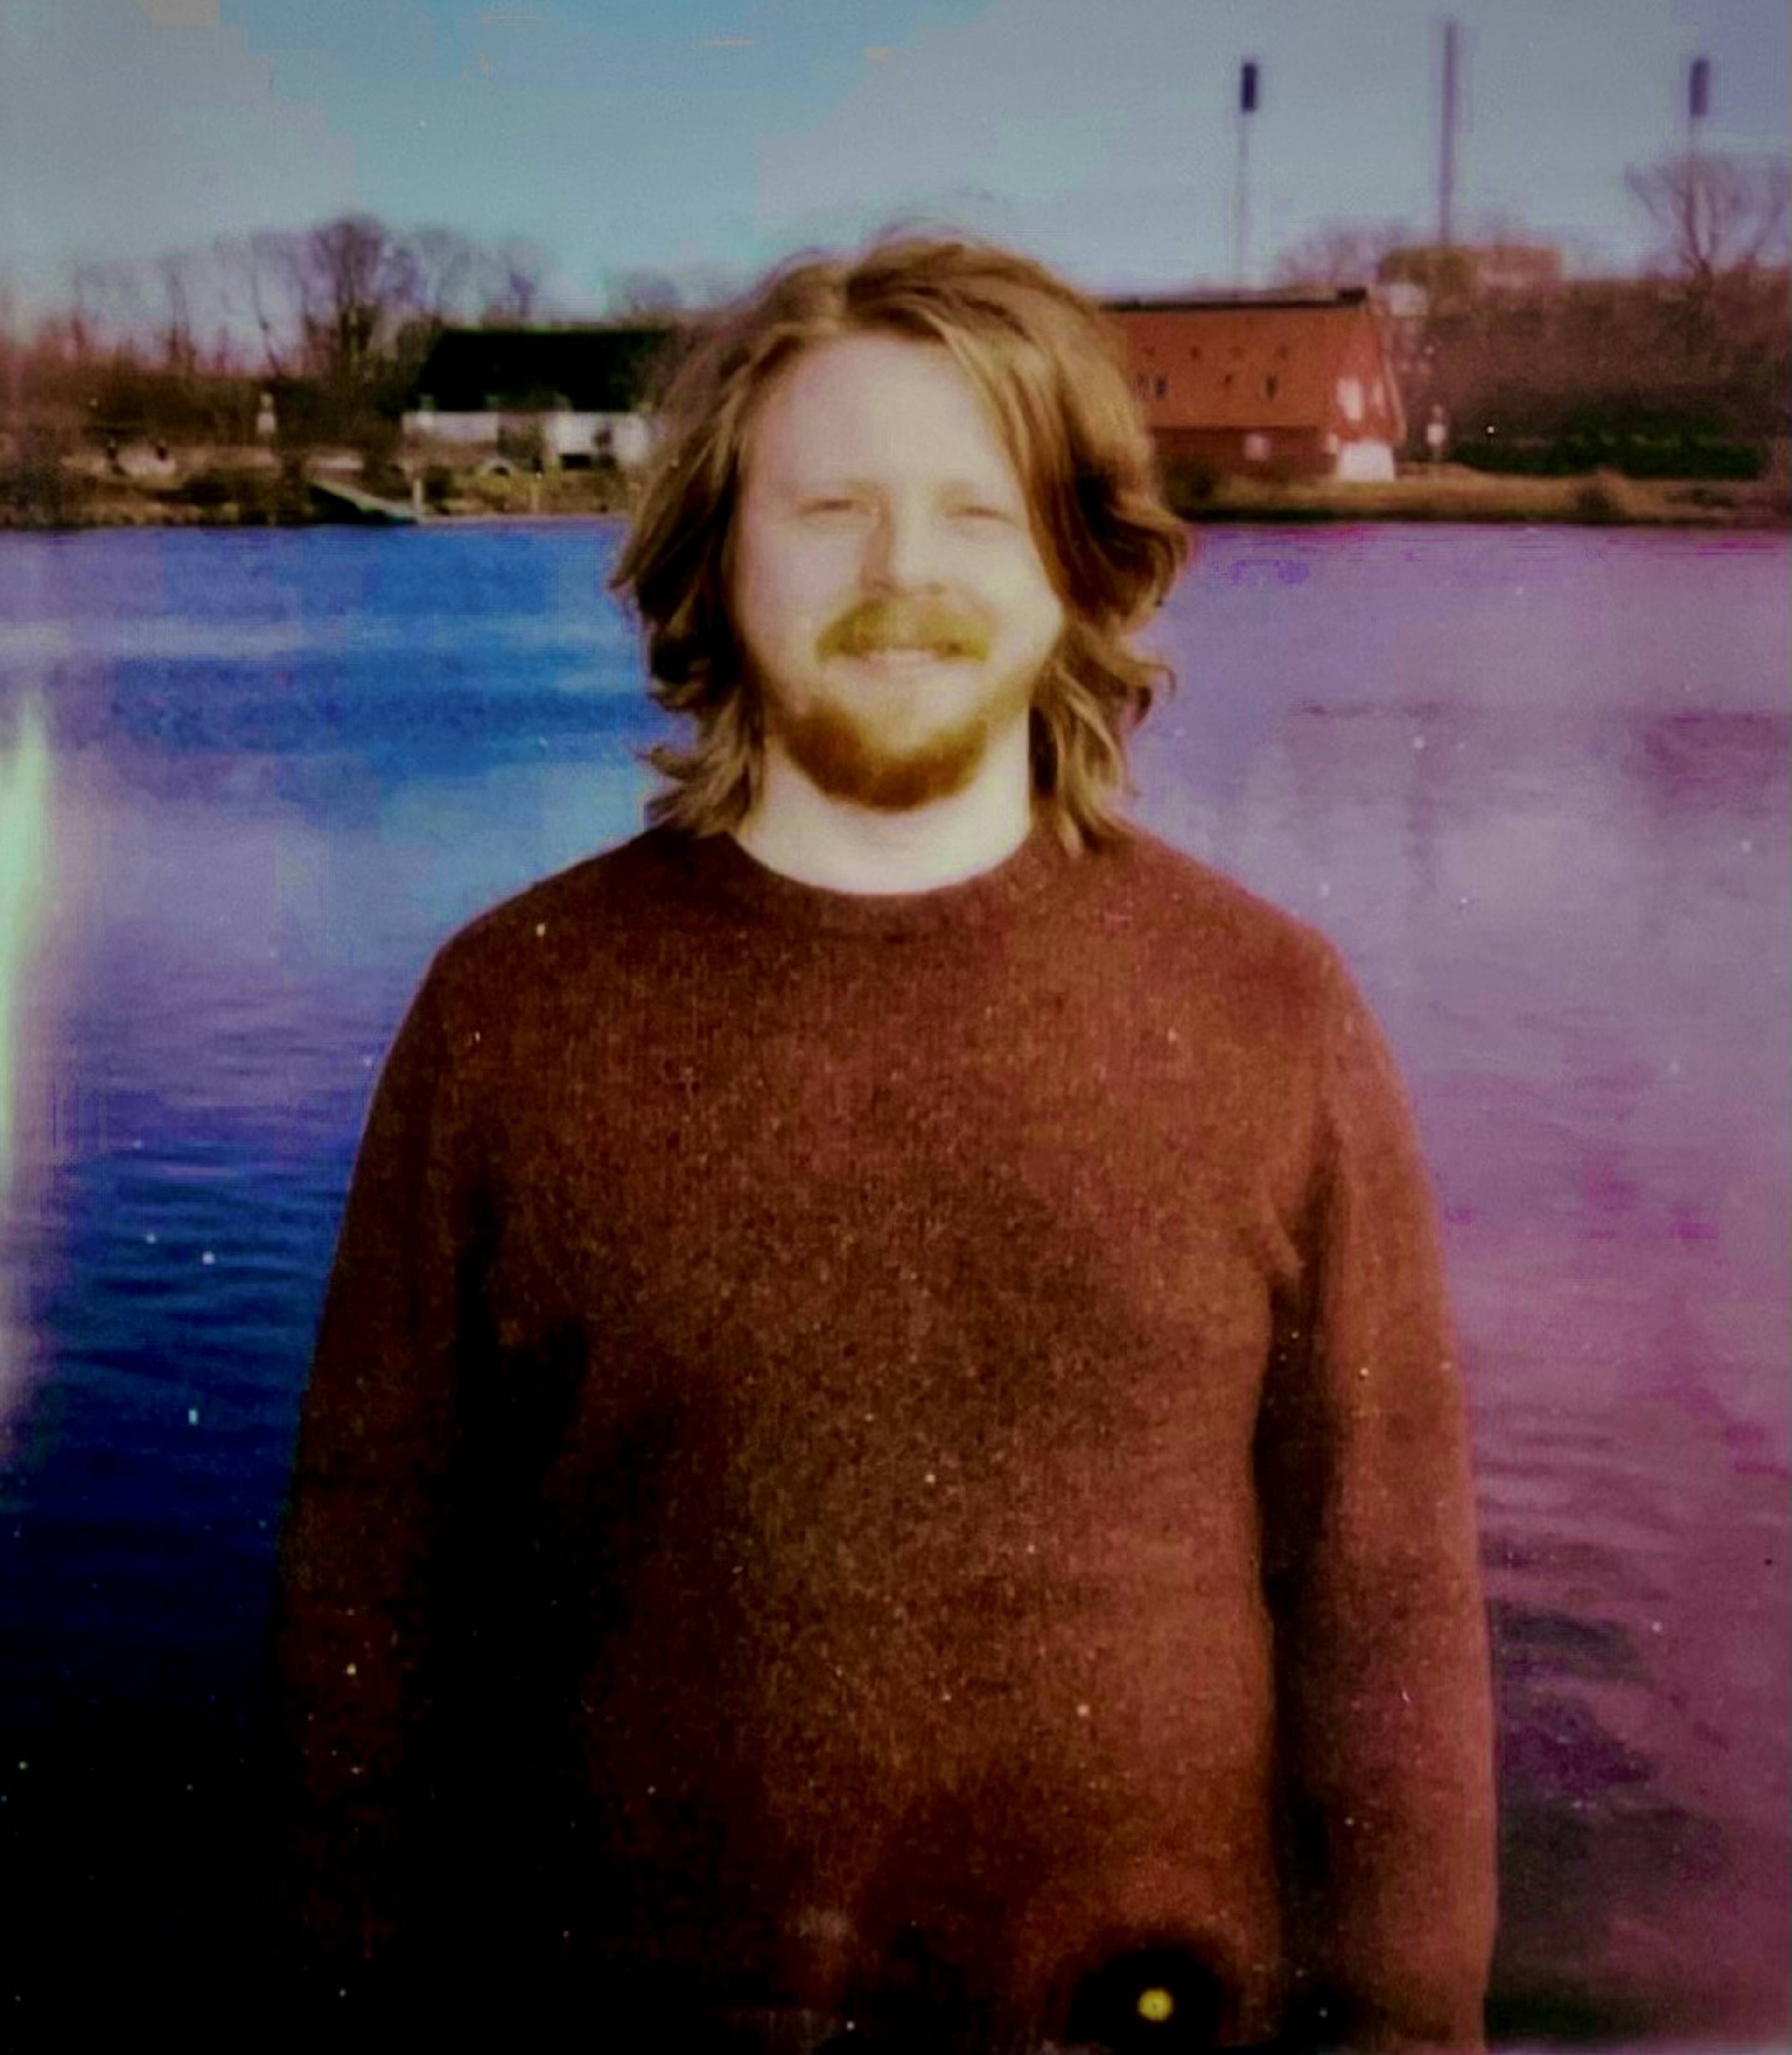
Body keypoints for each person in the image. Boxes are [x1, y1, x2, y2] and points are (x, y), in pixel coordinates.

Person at [275, 236, 1497, 2051]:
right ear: (713, 556)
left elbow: (1389, 1629)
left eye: (977, 513)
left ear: (1079, 565)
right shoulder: (509, 1013)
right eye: (830, 506)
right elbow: (364, 1631)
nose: (903, 572)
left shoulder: (1270, 1013)